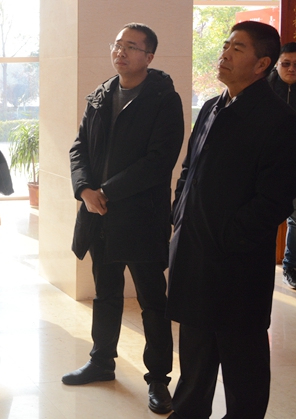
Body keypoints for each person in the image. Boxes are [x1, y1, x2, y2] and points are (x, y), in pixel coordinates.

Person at [167, 21, 296, 419]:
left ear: (262, 64)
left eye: (237, 49)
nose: (224, 54)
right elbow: (190, 169)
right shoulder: (212, 106)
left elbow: (275, 199)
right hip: (194, 255)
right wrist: (179, 213)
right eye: (226, 45)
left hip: (237, 264)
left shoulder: (278, 119)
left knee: (243, 369)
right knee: (194, 363)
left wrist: (229, 236)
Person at [65, 23, 184, 415]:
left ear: (149, 56)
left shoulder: (164, 99)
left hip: (141, 217)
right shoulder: (101, 95)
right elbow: (79, 147)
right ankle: (101, 361)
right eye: (118, 44)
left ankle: (158, 379)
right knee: (106, 293)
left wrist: (107, 191)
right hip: (99, 215)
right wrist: (85, 189)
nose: (121, 51)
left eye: (131, 46)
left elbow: (159, 161)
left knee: (152, 300)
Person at [268, 42, 296, 289]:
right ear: (276, 64)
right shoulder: (263, 90)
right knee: (265, 218)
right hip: (268, 165)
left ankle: (290, 267)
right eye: (286, 64)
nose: (291, 69)